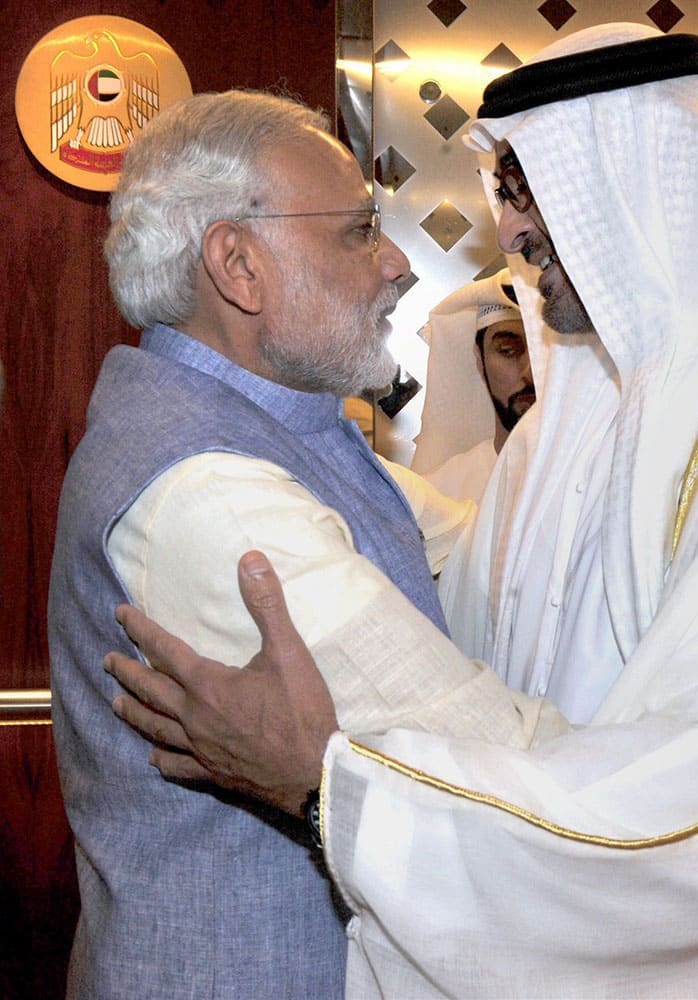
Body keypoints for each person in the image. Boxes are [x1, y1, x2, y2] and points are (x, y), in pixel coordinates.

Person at [106, 24, 698, 998]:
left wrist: (334, 789)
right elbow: (469, 599)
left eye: (532, 188)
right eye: (504, 193)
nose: (512, 233)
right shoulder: (567, 425)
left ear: (645, 184)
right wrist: (258, 451)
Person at [47, 89, 474, 1000]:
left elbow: (469, 543)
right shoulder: (210, 490)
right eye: (358, 230)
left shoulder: (254, 423)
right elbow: (472, 768)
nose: (395, 263)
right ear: (238, 266)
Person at [412, 268, 535, 501]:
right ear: (480, 361)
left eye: (543, 351)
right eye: (508, 350)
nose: (530, 370)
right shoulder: (438, 495)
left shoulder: (598, 477)